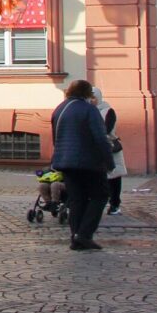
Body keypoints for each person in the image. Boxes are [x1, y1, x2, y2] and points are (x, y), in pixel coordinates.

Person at [49, 80, 115, 251]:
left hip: (65, 161)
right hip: (88, 161)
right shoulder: (89, 110)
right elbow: (100, 138)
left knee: (77, 198)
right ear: (87, 93)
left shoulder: (60, 108)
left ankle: (75, 237)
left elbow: (55, 137)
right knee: (100, 195)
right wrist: (109, 161)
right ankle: (84, 235)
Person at [90, 85, 126, 216]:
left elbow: (106, 129)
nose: (91, 100)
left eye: (93, 97)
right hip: (94, 149)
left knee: (114, 177)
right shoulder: (88, 111)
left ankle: (115, 204)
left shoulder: (107, 110)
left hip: (110, 148)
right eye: (89, 97)